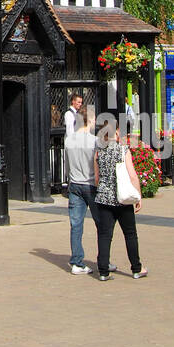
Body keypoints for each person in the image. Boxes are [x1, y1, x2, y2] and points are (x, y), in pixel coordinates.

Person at [93, 118, 147, 282]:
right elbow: (132, 176)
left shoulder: (98, 152)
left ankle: (103, 271)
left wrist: (104, 187)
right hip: (122, 199)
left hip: (104, 198)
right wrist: (138, 195)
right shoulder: (123, 150)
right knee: (130, 234)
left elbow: (96, 179)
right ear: (116, 132)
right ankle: (136, 268)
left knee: (104, 235)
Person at [65, 108, 115, 276]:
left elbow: (67, 164)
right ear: (91, 120)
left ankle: (77, 263)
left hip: (74, 184)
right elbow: (100, 164)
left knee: (76, 225)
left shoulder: (68, 140)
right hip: (91, 185)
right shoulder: (95, 141)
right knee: (102, 225)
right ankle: (104, 261)